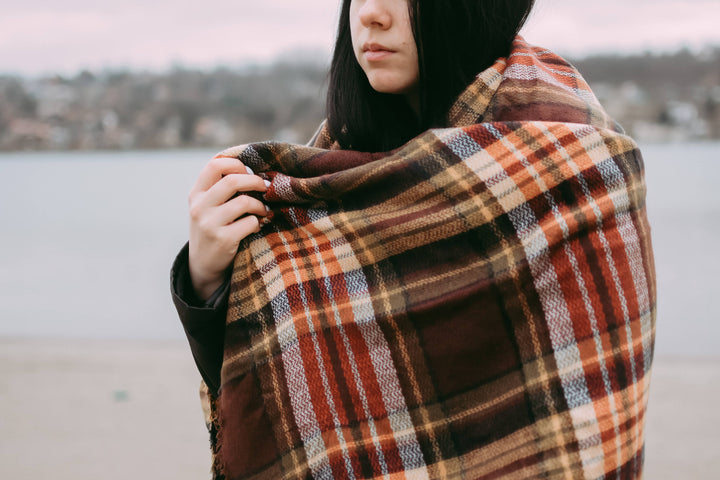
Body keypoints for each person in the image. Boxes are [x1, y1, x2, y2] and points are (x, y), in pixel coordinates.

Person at [171, 1, 656, 479]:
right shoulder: (325, 175)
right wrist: (208, 280)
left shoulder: (574, 161)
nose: (370, 14)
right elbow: (265, 391)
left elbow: (590, 405)